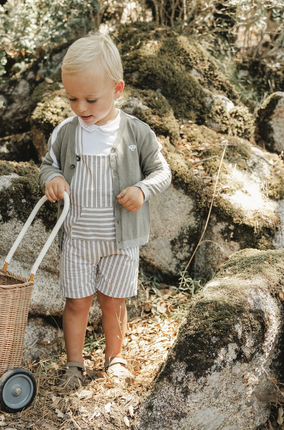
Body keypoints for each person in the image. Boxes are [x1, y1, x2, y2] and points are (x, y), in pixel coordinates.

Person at [39, 31, 171, 389]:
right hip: (78, 239)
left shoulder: (136, 133)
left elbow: (162, 172)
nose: (81, 108)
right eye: (72, 98)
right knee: (77, 303)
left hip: (120, 240)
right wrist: (52, 179)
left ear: (116, 90)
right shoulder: (67, 133)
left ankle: (115, 359)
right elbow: (48, 165)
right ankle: (74, 365)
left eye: (91, 99)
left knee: (113, 302)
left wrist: (142, 190)